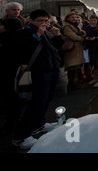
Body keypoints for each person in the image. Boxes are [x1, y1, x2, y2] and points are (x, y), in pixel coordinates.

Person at [12, 9, 63, 150]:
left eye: (46, 21)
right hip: (37, 73)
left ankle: (39, 124)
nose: (44, 24)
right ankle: (21, 137)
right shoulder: (24, 33)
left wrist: (57, 36)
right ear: (32, 20)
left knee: (45, 100)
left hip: (50, 70)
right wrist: (38, 34)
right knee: (35, 103)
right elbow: (25, 49)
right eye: (40, 21)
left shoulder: (47, 32)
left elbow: (56, 48)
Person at [0, 18, 23, 136]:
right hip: (15, 72)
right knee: (13, 98)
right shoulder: (20, 37)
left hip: (7, 73)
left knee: (9, 98)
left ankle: (11, 125)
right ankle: (14, 121)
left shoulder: (5, 39)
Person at [62, 12, 88, 90]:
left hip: (76, 50)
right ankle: (71, 84)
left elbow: (83, 33)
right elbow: (73, 36)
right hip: (71, 50)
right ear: (68, 18)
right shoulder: (67, 27)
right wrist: (81, 38)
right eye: (72, 17)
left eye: (76, 17)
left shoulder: (76, 26)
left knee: (76, 67)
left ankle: (75, 82)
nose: (75, 19)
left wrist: (82, 34)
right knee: (71, 68)